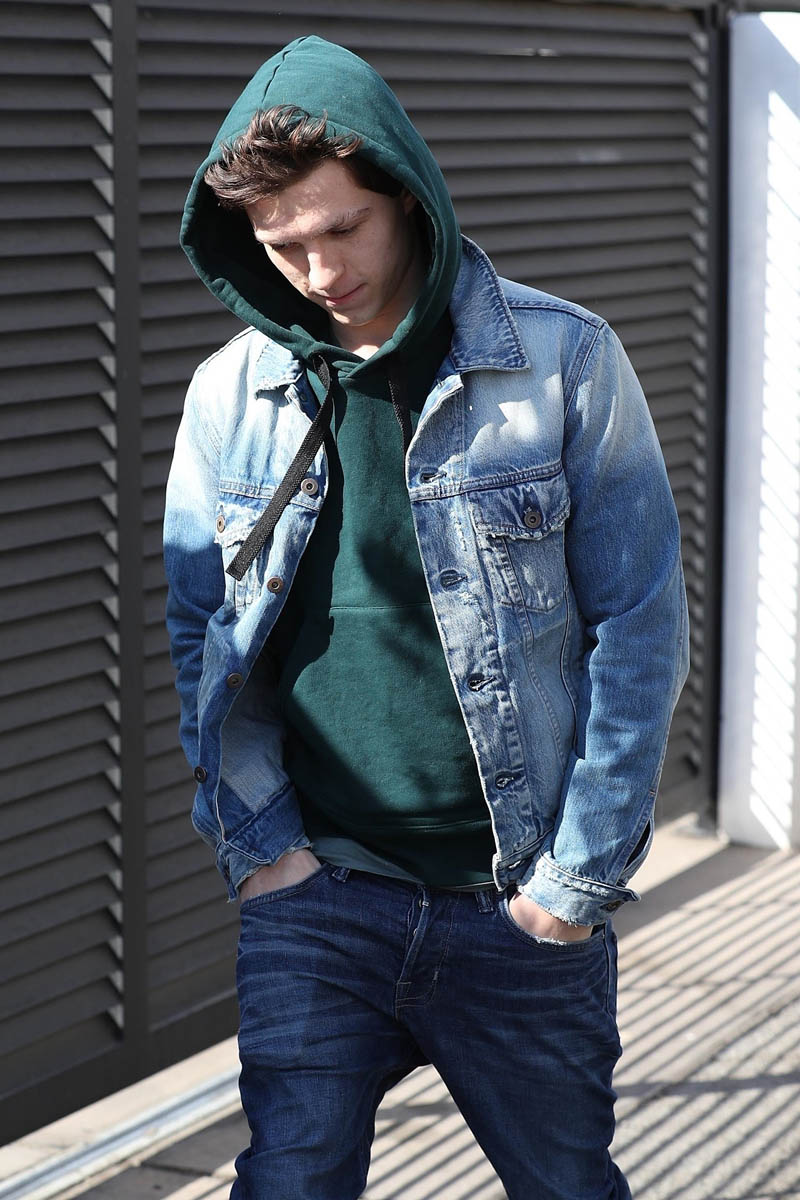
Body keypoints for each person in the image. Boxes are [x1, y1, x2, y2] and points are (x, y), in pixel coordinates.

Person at [165, 34, 689, 1200]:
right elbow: (202, 631)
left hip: (514, 902)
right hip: (317, 897)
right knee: (288, 1182)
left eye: (339, 228)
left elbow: (640, 630)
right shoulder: (227, 392)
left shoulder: (562, 361)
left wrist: (568, 891)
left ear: (404, 193)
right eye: (281, 245)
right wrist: (263, 858)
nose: (316, 271)